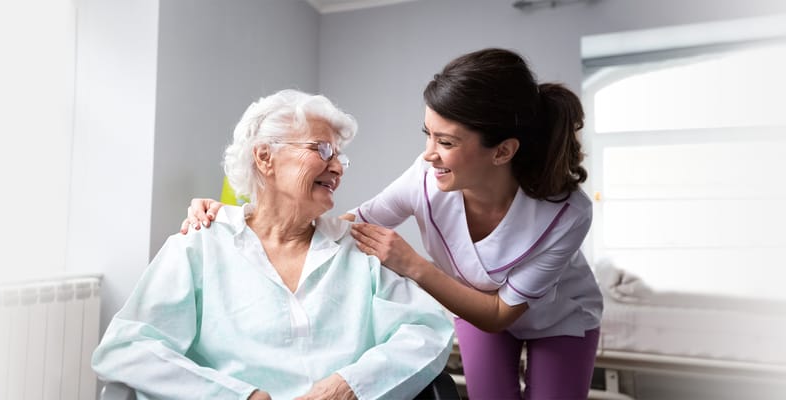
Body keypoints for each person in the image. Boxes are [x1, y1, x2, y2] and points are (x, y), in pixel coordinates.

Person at [183, 48, 603, 399]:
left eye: (447, 142)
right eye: (428, 134)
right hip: (472, 310)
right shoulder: (425, 178)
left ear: (502, 152)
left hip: (557, 318)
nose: (428, 154)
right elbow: (347, 227)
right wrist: (240, 219)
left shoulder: (566, 214)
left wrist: (413, 264)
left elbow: (497, 314)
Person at [93, 89, 454, 400]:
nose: (338, 168)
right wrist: (238, 396)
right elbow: (127, 348)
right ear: (265, 157)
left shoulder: (360, 250)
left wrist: (348, 386)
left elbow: (428, 332)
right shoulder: (199, 247)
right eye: (323, 149)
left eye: (340, 157)